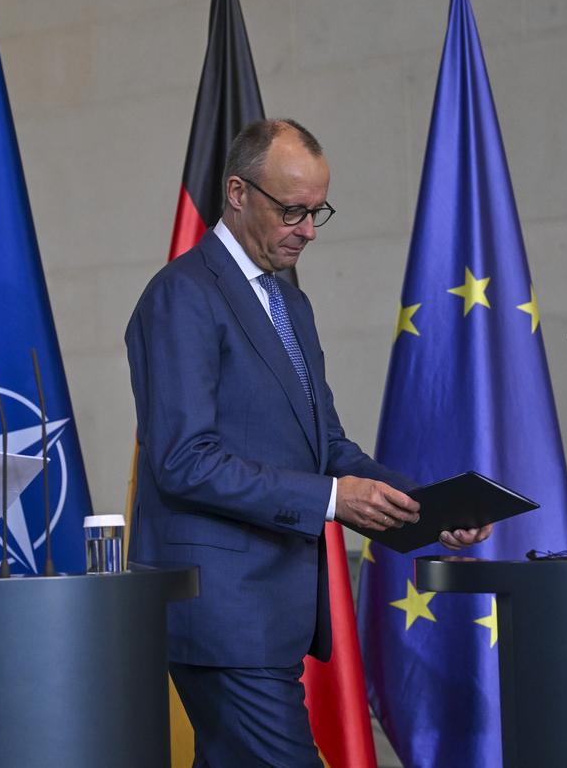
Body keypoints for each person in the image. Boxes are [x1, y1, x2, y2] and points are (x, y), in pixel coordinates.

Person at [125, 118, 491, 766]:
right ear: (238, 192)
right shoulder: (182, 296)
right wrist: (330, 500)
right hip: (222, 618)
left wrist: (428, 511)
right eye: (291, 209)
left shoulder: (291, 306)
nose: (308, 229)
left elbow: (327, 446)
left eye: (316, 210)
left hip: (273, 615)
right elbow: (183, 461)